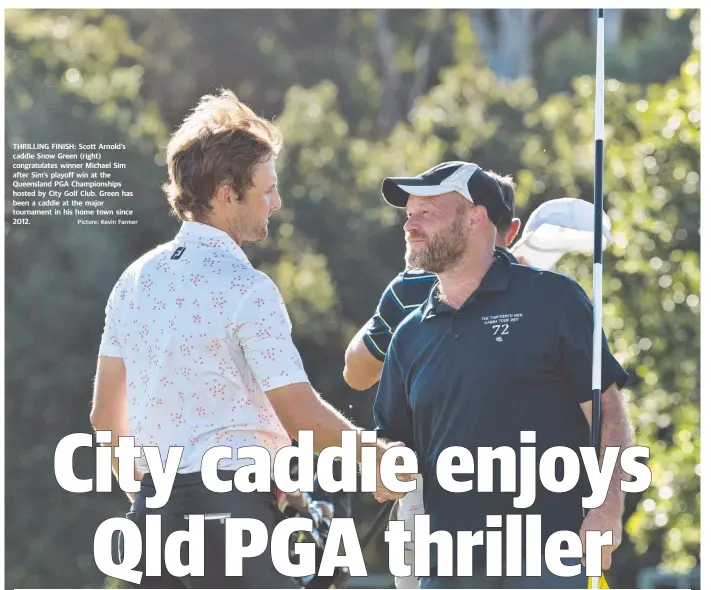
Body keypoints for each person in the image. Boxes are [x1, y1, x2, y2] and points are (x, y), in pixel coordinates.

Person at [89, 88, 409, 589]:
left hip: (151, 524)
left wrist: (151, 499)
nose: (276, 202)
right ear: (225, 192)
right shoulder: (247, 289)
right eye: (266, 190)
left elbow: (105, 417)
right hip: (230, 515)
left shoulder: (133, 281)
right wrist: (378, 457)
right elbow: (299, 414)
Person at [370, 161, 634, 589]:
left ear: (475, 218)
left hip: (545, 560)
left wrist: (607, 507)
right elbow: (392, 435)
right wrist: (386, 461)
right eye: (408, 215)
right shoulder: (409, 335)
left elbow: (607, 411)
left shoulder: (553, 299)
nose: (410, 226)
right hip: (444, 570)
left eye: (426, 213)